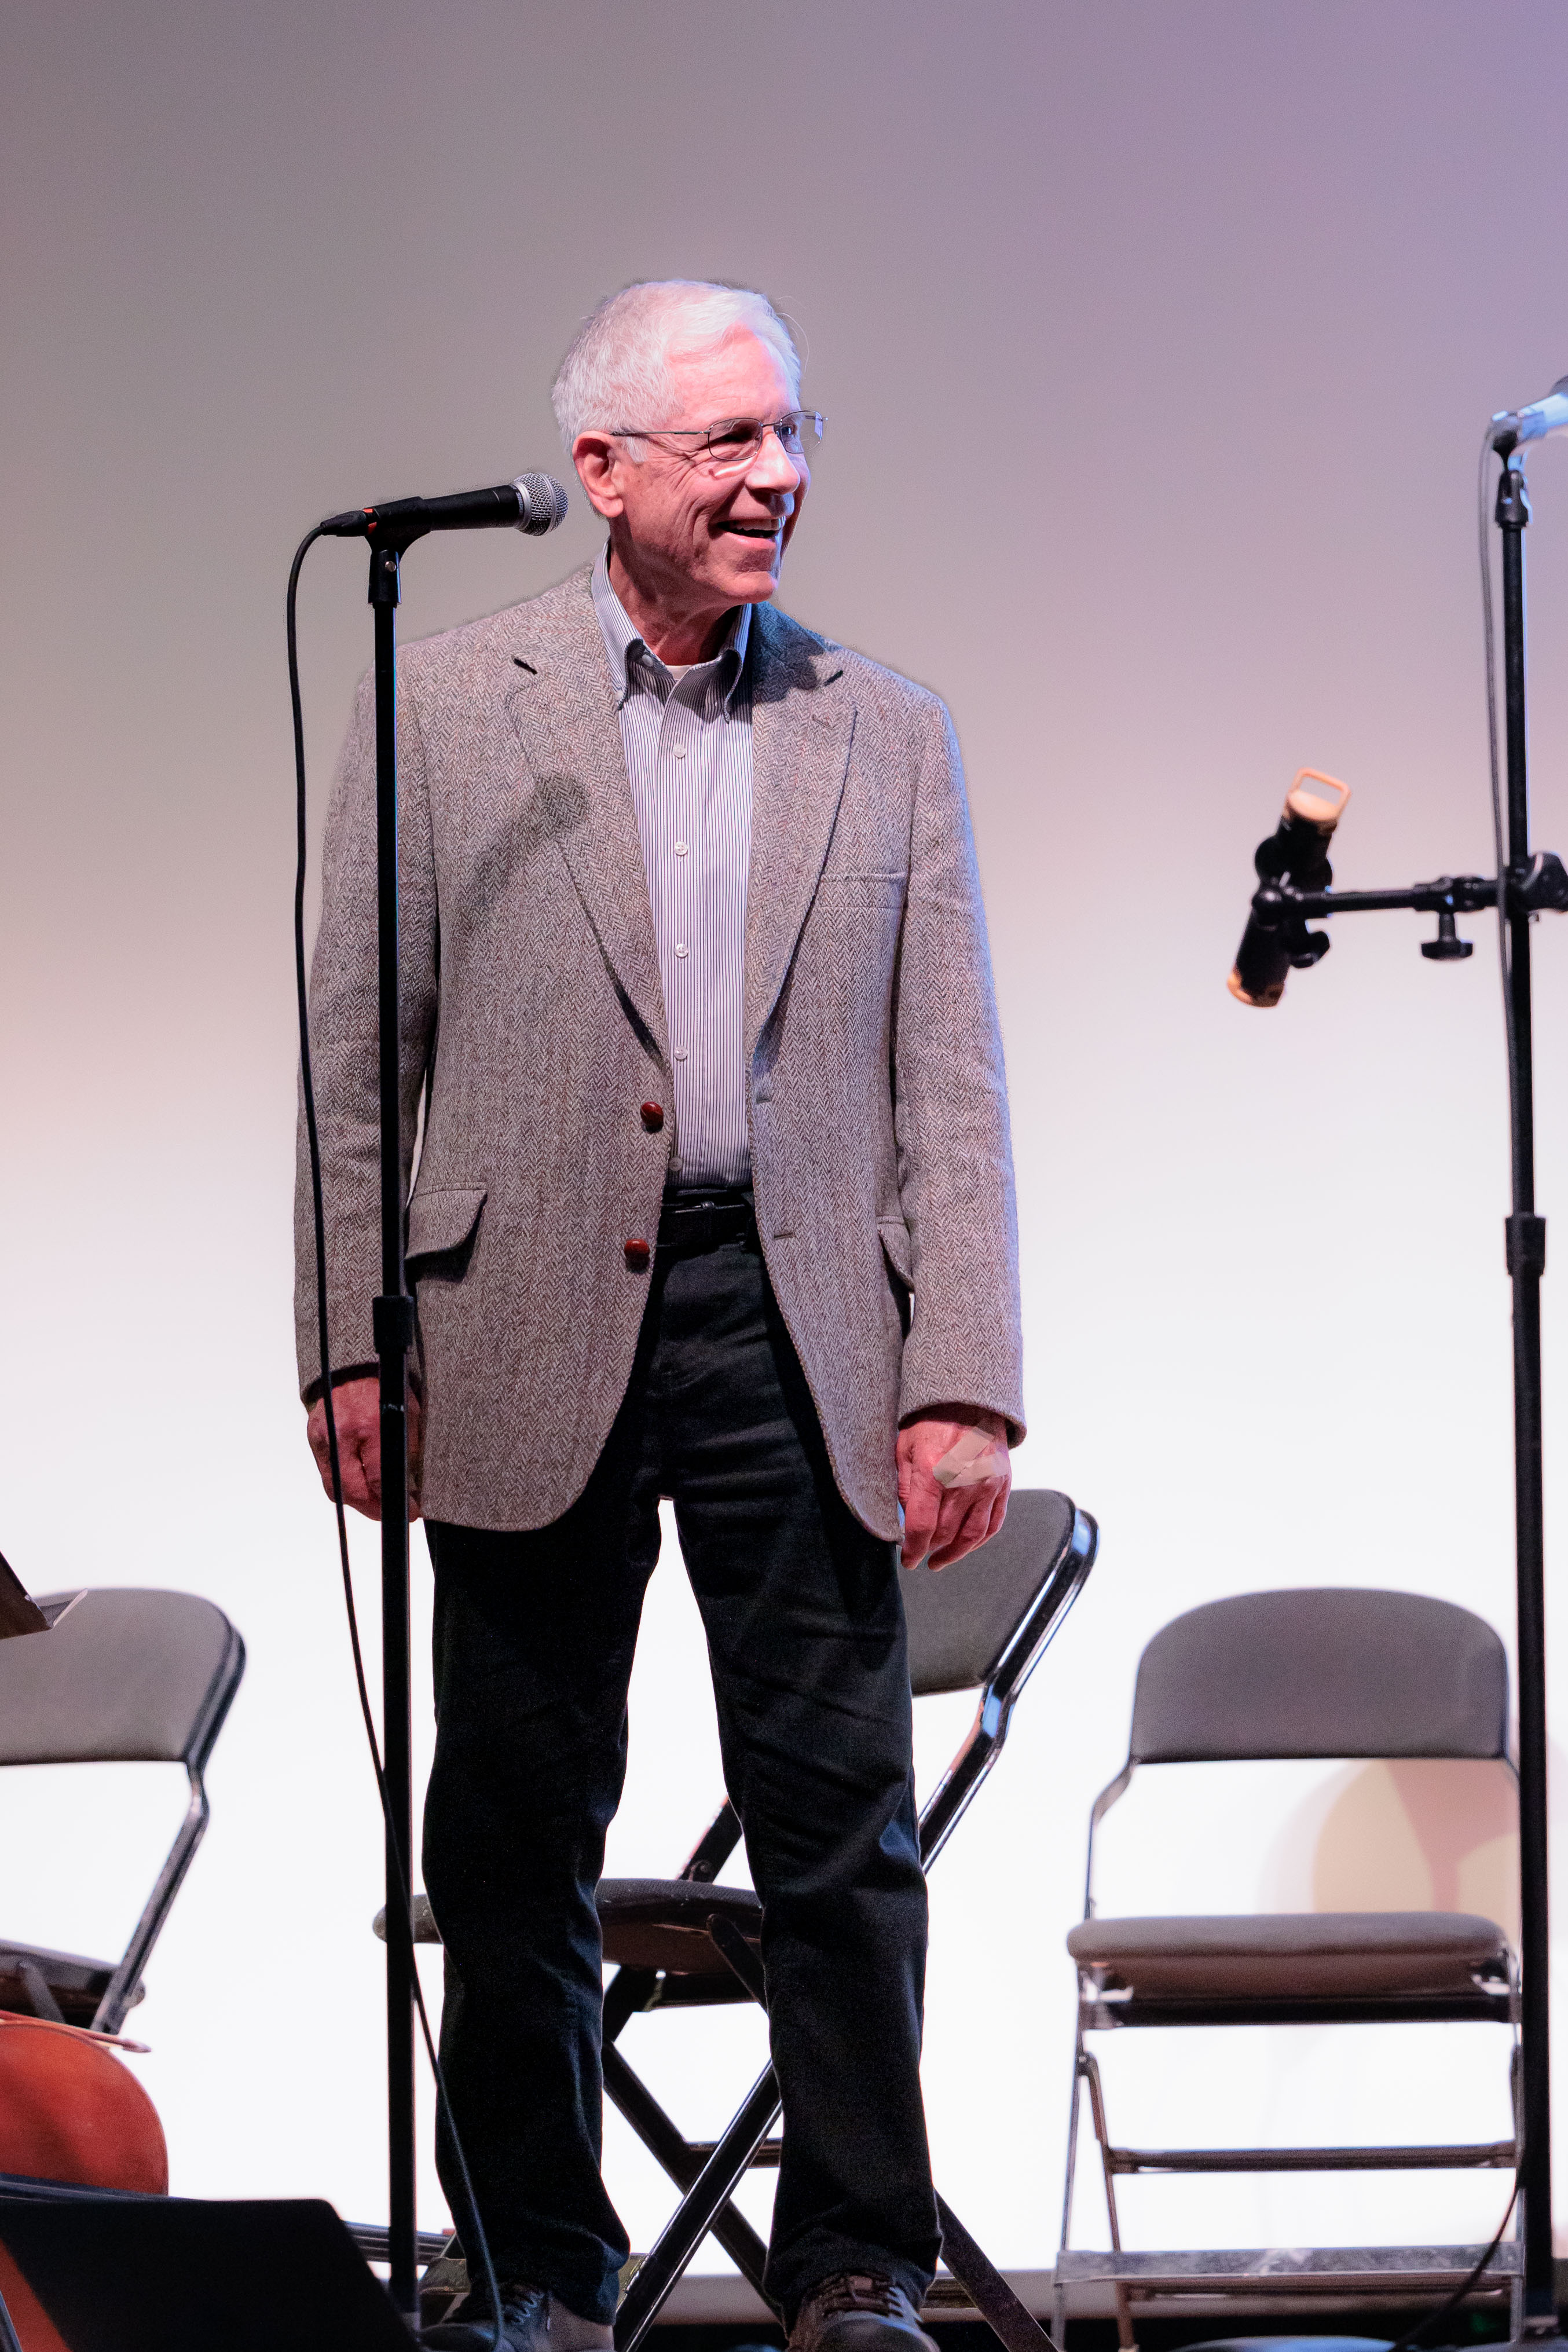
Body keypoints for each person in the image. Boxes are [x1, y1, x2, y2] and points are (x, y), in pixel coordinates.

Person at [296, 279, 1023, 2352]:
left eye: (791, 434)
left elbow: (949, 1076)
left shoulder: (881, 728)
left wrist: (963, 1372)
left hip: (799, 1322)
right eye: (729, 441)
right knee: (511, 1830)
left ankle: (857, 2262)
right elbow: (356, 1054)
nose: (776, 475)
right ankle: (536, 2266)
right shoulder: (448, 704)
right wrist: (346, 1336)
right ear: (601, 472)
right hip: (517, 1319)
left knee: (839, 1829)